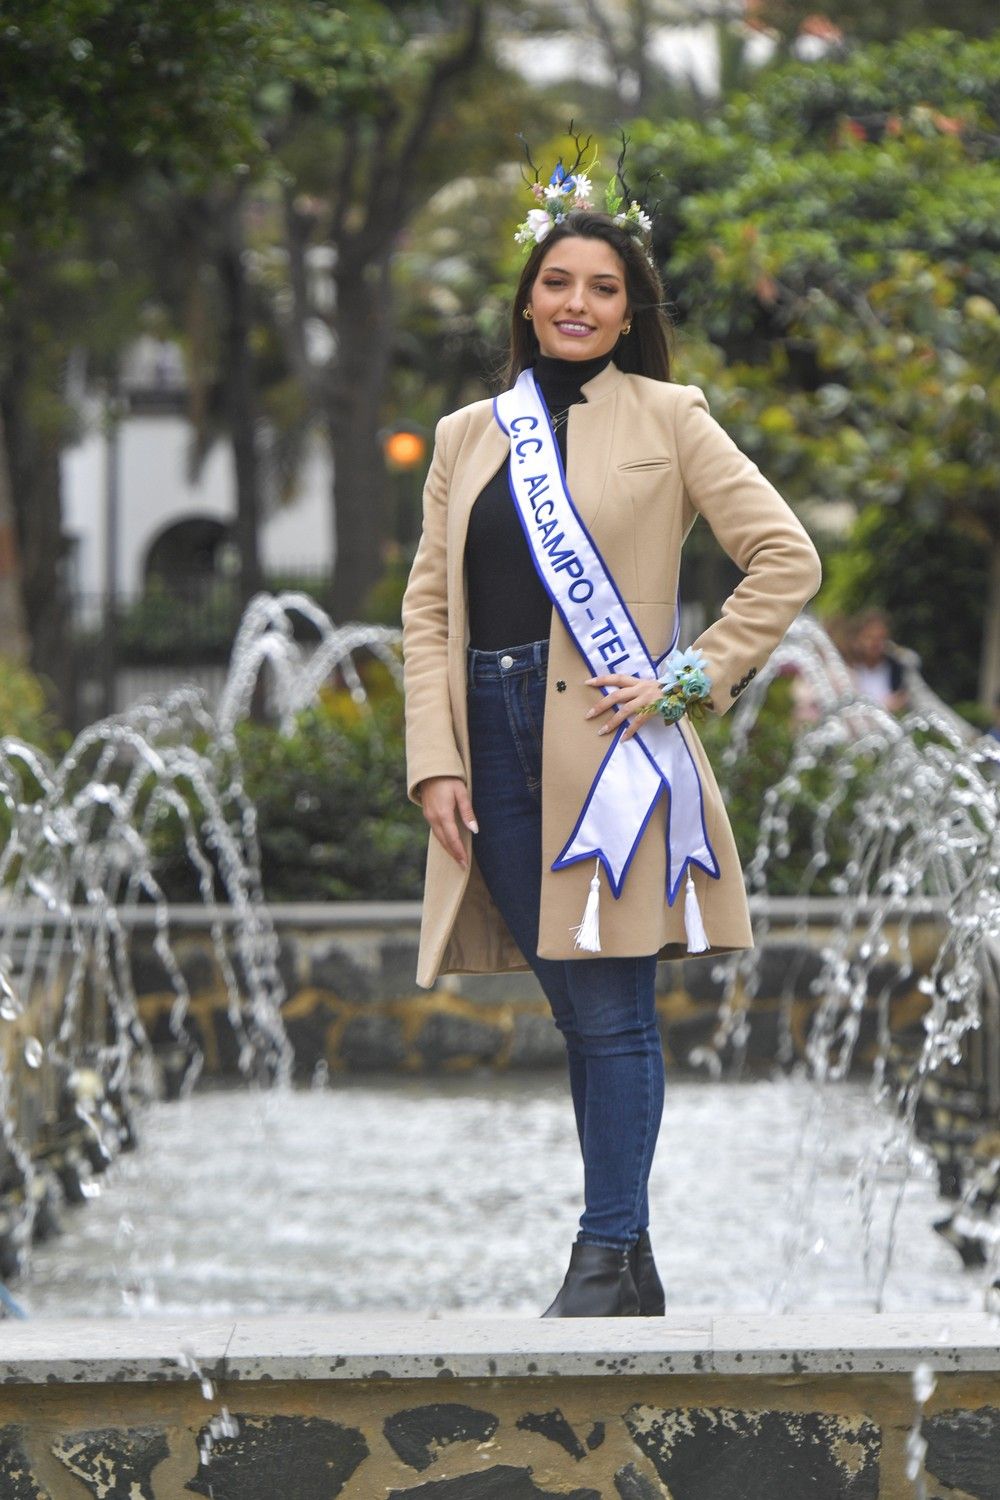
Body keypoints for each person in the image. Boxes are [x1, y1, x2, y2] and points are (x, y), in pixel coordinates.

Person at [401, 151, 822, 1317]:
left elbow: (786, 558)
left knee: (607, 1009)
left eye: (601, 287)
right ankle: (627, 1261)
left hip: (610, 751)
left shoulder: (672, 417)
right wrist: (433, 758)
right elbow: (427, 608)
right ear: (526, 299)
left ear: (629, 310)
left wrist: (689, 679)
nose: (576, 304)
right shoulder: (465, 435)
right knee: (582, 1007)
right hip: (486, 740)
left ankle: (602, 1254)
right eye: (557, 284)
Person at [845, 608, 910, 713]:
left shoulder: (896, 668)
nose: (874, 644)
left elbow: (902, 699)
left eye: (881, 638)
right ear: (858, 638)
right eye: (869, 638)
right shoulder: (848, 668)